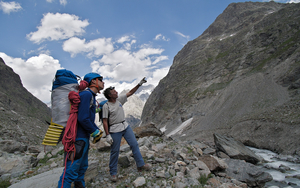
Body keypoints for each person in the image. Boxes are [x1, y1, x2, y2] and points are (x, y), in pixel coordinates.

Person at [58, 72, 104, 188]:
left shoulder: (91, 96)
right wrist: (95, 131)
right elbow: (83, 118)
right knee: (70, 171)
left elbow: (86, 115)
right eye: (101, 79)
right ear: (94, 81)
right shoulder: (87, 95)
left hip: (83, 139)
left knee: (82, 168)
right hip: (77, 139)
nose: (103, 82)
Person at [102, 77, 151, 182]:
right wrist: (107, 135)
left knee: (134, 145)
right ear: (110, 95)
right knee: (115, 151)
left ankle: (140, 164)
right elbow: (105, 121)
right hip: (114, 129)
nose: (116, 92)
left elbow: (130, 92)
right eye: (114, 91)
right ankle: (113, 173)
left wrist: (139, 84)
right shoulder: (106, 106)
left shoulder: (119, 100)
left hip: (125, 126)